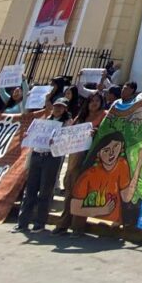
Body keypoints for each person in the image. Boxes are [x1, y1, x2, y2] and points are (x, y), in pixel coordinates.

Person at [14, 97, 72, 232]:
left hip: (51, 158)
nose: (58, 109)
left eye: (61, 107)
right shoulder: (44, 121)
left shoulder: (66, 123)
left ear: (65, 109)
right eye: (56, 106)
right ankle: (22, 223)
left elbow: (66, 141)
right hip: (37, 155)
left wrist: (56, 140)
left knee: (45, 192)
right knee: (30, 191)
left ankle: (39, 224)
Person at [55, 91, 107, 234]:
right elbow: (70, 132)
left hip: (89, 157)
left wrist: (96, 133)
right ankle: (63, 224)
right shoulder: (81, 117)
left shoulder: (105, 116)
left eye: (97, 101)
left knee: (82, 192)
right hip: (74, 156)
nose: (94, 103)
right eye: (91, 101)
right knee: (70, 191)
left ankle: (77, 227)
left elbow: (106, 134)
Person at [71, 132, 142, 226]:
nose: (112, 153)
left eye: (116, 146)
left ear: (122, 146)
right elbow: (74, 207)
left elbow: (126, 197)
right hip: (92, 222)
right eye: (106, 150)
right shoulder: (88, 175)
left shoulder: (122, 164)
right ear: (98, 153)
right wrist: (101, 210)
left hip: (113, 224)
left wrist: (140, 162)